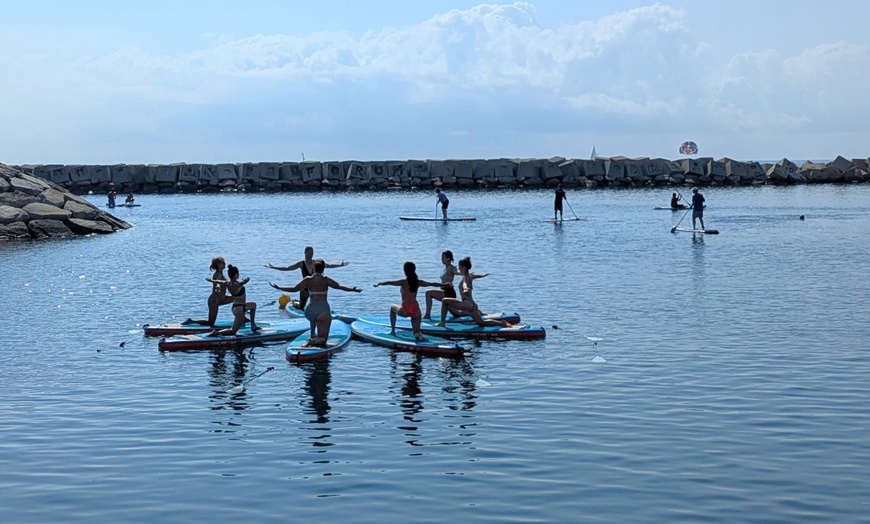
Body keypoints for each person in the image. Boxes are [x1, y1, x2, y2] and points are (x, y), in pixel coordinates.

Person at [270, 259, 361, 347]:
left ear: (314, 268)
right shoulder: (326, 279)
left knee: (314, 318)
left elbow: (294, 289)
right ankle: (312, 341)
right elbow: (340, 286)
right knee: (323, 339)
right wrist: (353, 289)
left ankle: (312, 333)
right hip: (322, 310)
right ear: (323, 269)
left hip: (309, 310)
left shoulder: (307, 279)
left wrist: (280, 288)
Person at [375, 261, 442, 341]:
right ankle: (418, 335)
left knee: (392, 308)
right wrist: (444, 285)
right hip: (416, 311)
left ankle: (392, 331)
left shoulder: (403, 282)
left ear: (405, 271)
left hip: (405, 310)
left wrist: (380, 283)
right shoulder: (418, 282)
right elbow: (432, 284)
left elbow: (390, 282)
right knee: (416, 331)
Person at [265, 246, 349, 310]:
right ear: (305, 253)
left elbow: (329, 266)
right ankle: (295, 302)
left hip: (315, 288)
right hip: (304, 289)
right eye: (308, 252)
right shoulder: (301, 264)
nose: (310, 254)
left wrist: (340, 265)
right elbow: (287, 268)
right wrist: (273, 267)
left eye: (311, 253)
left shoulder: (316, 263)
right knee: (301, 307)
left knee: (316, 304)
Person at [436, 257, 509, 328]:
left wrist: (465, 288)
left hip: (466, 303)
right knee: (481, 323)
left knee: (445, 300)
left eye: (460, 266)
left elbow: (465, 283)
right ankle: (501, 323)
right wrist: (483, 275)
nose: (459, 268)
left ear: (464, 267)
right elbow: (476, 276)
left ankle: (442, 322)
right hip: (472, 305)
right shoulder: (470, 276)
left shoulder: (465, 277)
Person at [183, 256, 237, 327]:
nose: (225, 264)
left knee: (236, 298)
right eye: (223, 262)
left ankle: (241, 316)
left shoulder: (221, 274)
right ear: (218, 264)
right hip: (214, 300)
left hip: (222, 298)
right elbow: (217, 284)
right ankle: (191, 321)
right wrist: (217, 288)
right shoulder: (217, 274)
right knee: (210, 323)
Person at [207, 265, 259, 336]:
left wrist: (212, 280)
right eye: (238, 274)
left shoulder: (227, 282)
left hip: (235, 307)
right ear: (235, 275)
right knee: (233, 331)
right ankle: (216, 333)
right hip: (240, 308)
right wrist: (246, 280)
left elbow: (219, 281)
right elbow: (241, 283)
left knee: (253, 305)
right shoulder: (237, 284)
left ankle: (253, 325)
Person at [423, 250, 460, 320]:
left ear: (448, 258)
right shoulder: (445, 268)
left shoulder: (452, 268)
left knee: (428, 293)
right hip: (443, 291)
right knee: (456, 313)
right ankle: (472, 312)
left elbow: (457, 272)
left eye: (443, 258)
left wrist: (466, 273)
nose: (441, 259)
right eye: (441, 258)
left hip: (448, 292)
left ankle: (427, 315)